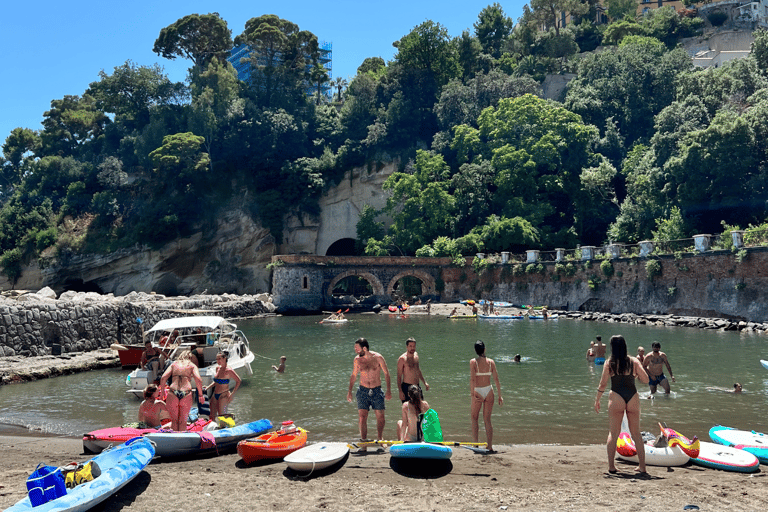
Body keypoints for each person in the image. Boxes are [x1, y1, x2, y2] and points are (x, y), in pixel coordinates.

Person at [594, 335, 650, 475]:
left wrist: (597, 400)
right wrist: (635, 374)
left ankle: (612, 467)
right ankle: (642, 467)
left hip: (616, 397)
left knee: (613, 433)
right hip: (632, 397)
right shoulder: (634, 361)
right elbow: (646, 380)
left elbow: (603, 384)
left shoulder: (609, 363)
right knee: (636, 433)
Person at [346, 338, 392, 441]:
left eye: (357, 348)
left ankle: (380, 438)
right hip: (363, 390)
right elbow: (353, 375)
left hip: (377, 390)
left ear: (365, 348)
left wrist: (388, 390)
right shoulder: (357, 359)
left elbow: (386, 374)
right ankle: (363, 441)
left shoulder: (378, 357)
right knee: (362, 417)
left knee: (380, 416)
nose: (355, 350)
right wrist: (349, 391)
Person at [159, 349, 204, 431]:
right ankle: (182, 440)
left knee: (174, 421)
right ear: (190, 357)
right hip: (186, 393)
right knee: (183, 422)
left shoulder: (174, 364)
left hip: (173, 392)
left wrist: (162, 393)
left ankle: (175, 440)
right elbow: (198, 380)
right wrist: (201, 395)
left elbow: (163, 378)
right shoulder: (192, 365)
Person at [470, 340, 503, 453]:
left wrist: (472, 394)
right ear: (484, 349)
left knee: (474, 418)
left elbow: (473, 379)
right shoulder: (491, 362)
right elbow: (496, 379)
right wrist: (500, 395)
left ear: (475, 350)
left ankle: (476, 445)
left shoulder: (473, 362)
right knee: (487, 419)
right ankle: (489, 446)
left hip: (478, 391)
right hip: (489, 390)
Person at [206, 351, 241, 418]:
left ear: (224, 358)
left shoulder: (229, 370)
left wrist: (232, 394)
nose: (217, 361)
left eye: (219, 359)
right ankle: (214, 427)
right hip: (215, 394)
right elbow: (216, 382)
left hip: (223, 395)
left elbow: (238, 381)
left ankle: (229, 418)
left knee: (221, 416)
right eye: (216, 359)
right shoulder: (217, 368)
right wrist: (207, 387)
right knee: (211, 415)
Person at [397, 338, 430, 403]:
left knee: (421, 408)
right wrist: (400, 391)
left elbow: (417, 370)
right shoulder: (402, 359)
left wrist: (424, 382)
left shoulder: (416, 355)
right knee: (409, 410)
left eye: (414, 346)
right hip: (407, 387)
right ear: (407, 347)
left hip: (417, 386)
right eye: (410, 346)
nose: (412, 348)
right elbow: (399, 377)